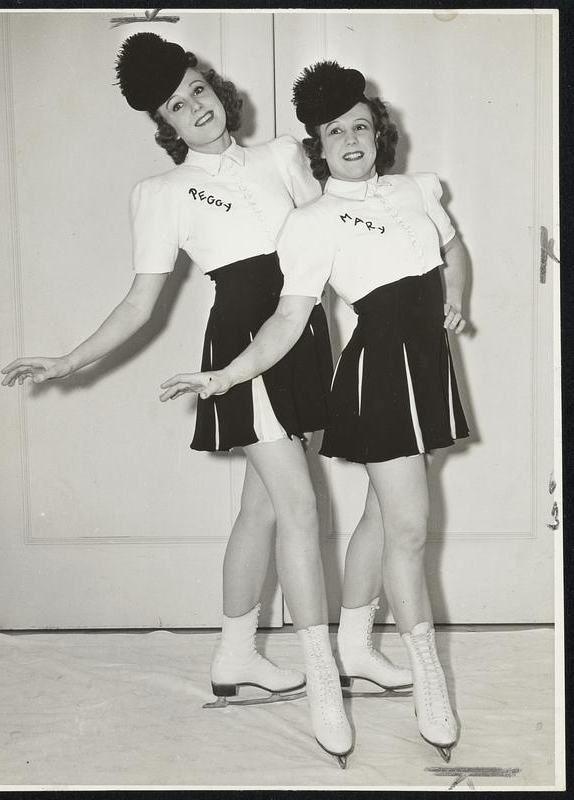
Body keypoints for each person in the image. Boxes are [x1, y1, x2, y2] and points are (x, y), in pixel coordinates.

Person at [1, 36, 355, 767]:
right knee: (300, 508)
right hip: (242, 347)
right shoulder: (161, 194)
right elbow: (140, 302)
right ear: (163, 122)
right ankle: (323, 679)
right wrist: (69, 359)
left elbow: (336, 245)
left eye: (198, 89)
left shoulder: (283, 156)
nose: (195, 106)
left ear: (215, 87)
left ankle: (234, 657)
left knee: (261, 507)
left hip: (305, 336)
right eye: (176, 104)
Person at [160, 60, 471, 763]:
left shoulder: (417, 190)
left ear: (377, 133)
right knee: (411, 529)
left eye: (361, 125)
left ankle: (356, 644)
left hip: (430, 370)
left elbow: (455, 254)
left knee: (384, 517)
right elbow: (284, 320)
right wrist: (227, 374)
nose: (352, 139)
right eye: (336, 132)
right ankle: (428, 676)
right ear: (319, 148)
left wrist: (461, 297)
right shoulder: (311, 221)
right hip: (378, 378)